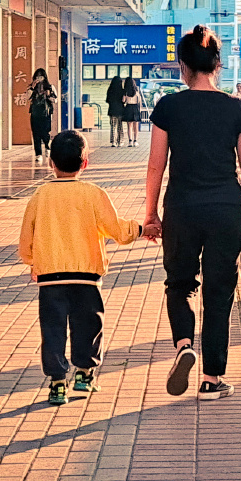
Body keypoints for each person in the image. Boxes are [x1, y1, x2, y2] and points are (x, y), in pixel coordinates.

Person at [145, 25, 241, 400]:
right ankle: (211, 379)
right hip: (225, 209)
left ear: (183, 66)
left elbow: (156, 166)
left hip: (181, 207)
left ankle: (184, 343)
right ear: (217, 64)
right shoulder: (237, 108)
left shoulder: (168, 106)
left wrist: (150, 214)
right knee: (219, 292)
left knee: (179, 283)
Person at [19, 130, 148, 406]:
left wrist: (33, 262)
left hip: (50, 277)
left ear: (51, 162)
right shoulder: (93, 194)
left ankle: (56, 384)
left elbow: (25, 242)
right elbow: (117, 230)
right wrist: (140, 229)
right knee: (89, 324)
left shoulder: (40, 196)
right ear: (85, 162)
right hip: (87, 276)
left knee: (52, 329)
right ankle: (85, 374)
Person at [28, 69, 57, 164]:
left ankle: (47, 147)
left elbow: (55, 100)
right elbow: (27, 97)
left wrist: (49, 96)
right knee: (35, 134)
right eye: (37, 77)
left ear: (44, 77)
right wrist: (32, 87)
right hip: (35, 113)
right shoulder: (32, 88)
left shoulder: (50, 87)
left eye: (41, 76)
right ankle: (38, 154)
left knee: (45, 132)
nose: (39, 79)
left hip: (46, 113)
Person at [121, 77, 143, 147]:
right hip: (135, 107)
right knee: (135, 126)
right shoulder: (136, 91)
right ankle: (135, 141)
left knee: (129, 126)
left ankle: (130, 141)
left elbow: (123, 101)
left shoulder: (126, 92)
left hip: (128, 108)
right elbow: (139, 101)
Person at [105, 76, 125, 147]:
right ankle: (120, 142)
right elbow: (124, 101)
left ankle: (113, 142)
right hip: (120, 110)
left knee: (113, 126)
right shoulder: (122, 90)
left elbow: (107, 100)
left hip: (112, 110)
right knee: (120, 126)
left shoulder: (110, 90)